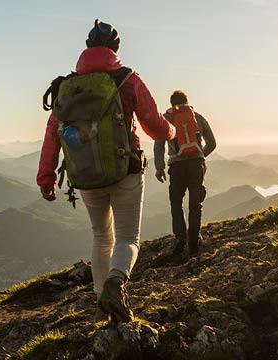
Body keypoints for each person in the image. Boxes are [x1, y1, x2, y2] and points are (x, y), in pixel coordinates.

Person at [37, 19, 175, 323]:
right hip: (125, 171)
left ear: (87, 48)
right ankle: (116, 282)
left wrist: (46, 177)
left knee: (101, 236)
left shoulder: (66, 87)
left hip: (85, 176)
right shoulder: (128, 79)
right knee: (127, 238)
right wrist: (171, 131)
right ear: (116, 48)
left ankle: (102, 307)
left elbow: (52, 135)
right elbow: (153, 124)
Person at [154, 90, 217, 256]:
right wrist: (200, 155)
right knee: (195, 203)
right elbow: (212, 143)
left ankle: (180, 237)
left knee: (176, 202)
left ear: (171, 103)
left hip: (177, 167)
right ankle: (194, 240)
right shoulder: (196, 116)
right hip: (197, 165)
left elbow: (159, 144)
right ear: (186, 101)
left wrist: (159, 167)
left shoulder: (166, 119)